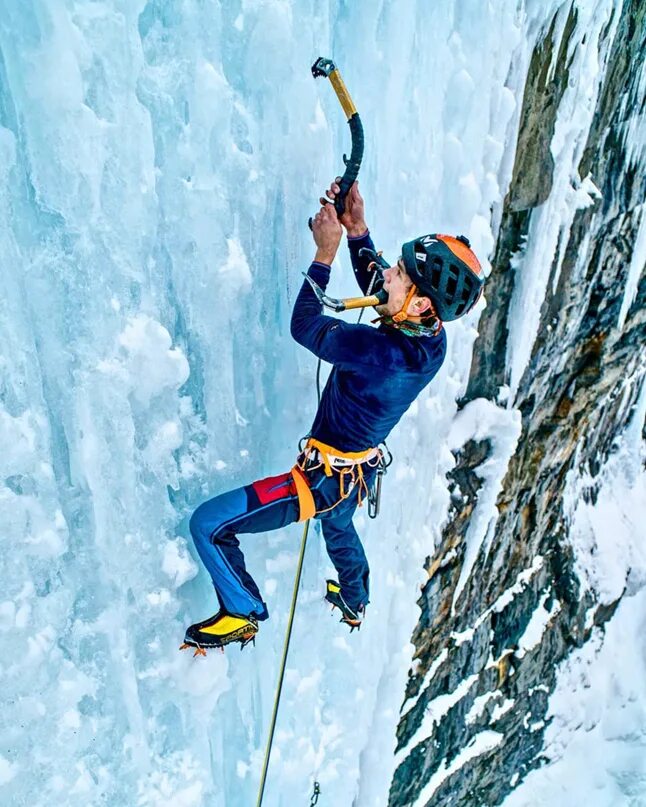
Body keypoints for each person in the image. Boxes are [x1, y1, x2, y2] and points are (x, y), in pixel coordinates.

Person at [182, 179, 484, 652]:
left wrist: (324, 254)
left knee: (208, 524)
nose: (387, 274)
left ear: (422, 302)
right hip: (351, 473)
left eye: (399, 272)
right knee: (339, 524)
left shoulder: (378, 352)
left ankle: (242, 610)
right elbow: (381, 289)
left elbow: (304, 325)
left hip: (318, 482)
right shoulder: (431, 340)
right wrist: (358, 231)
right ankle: (355, 597)